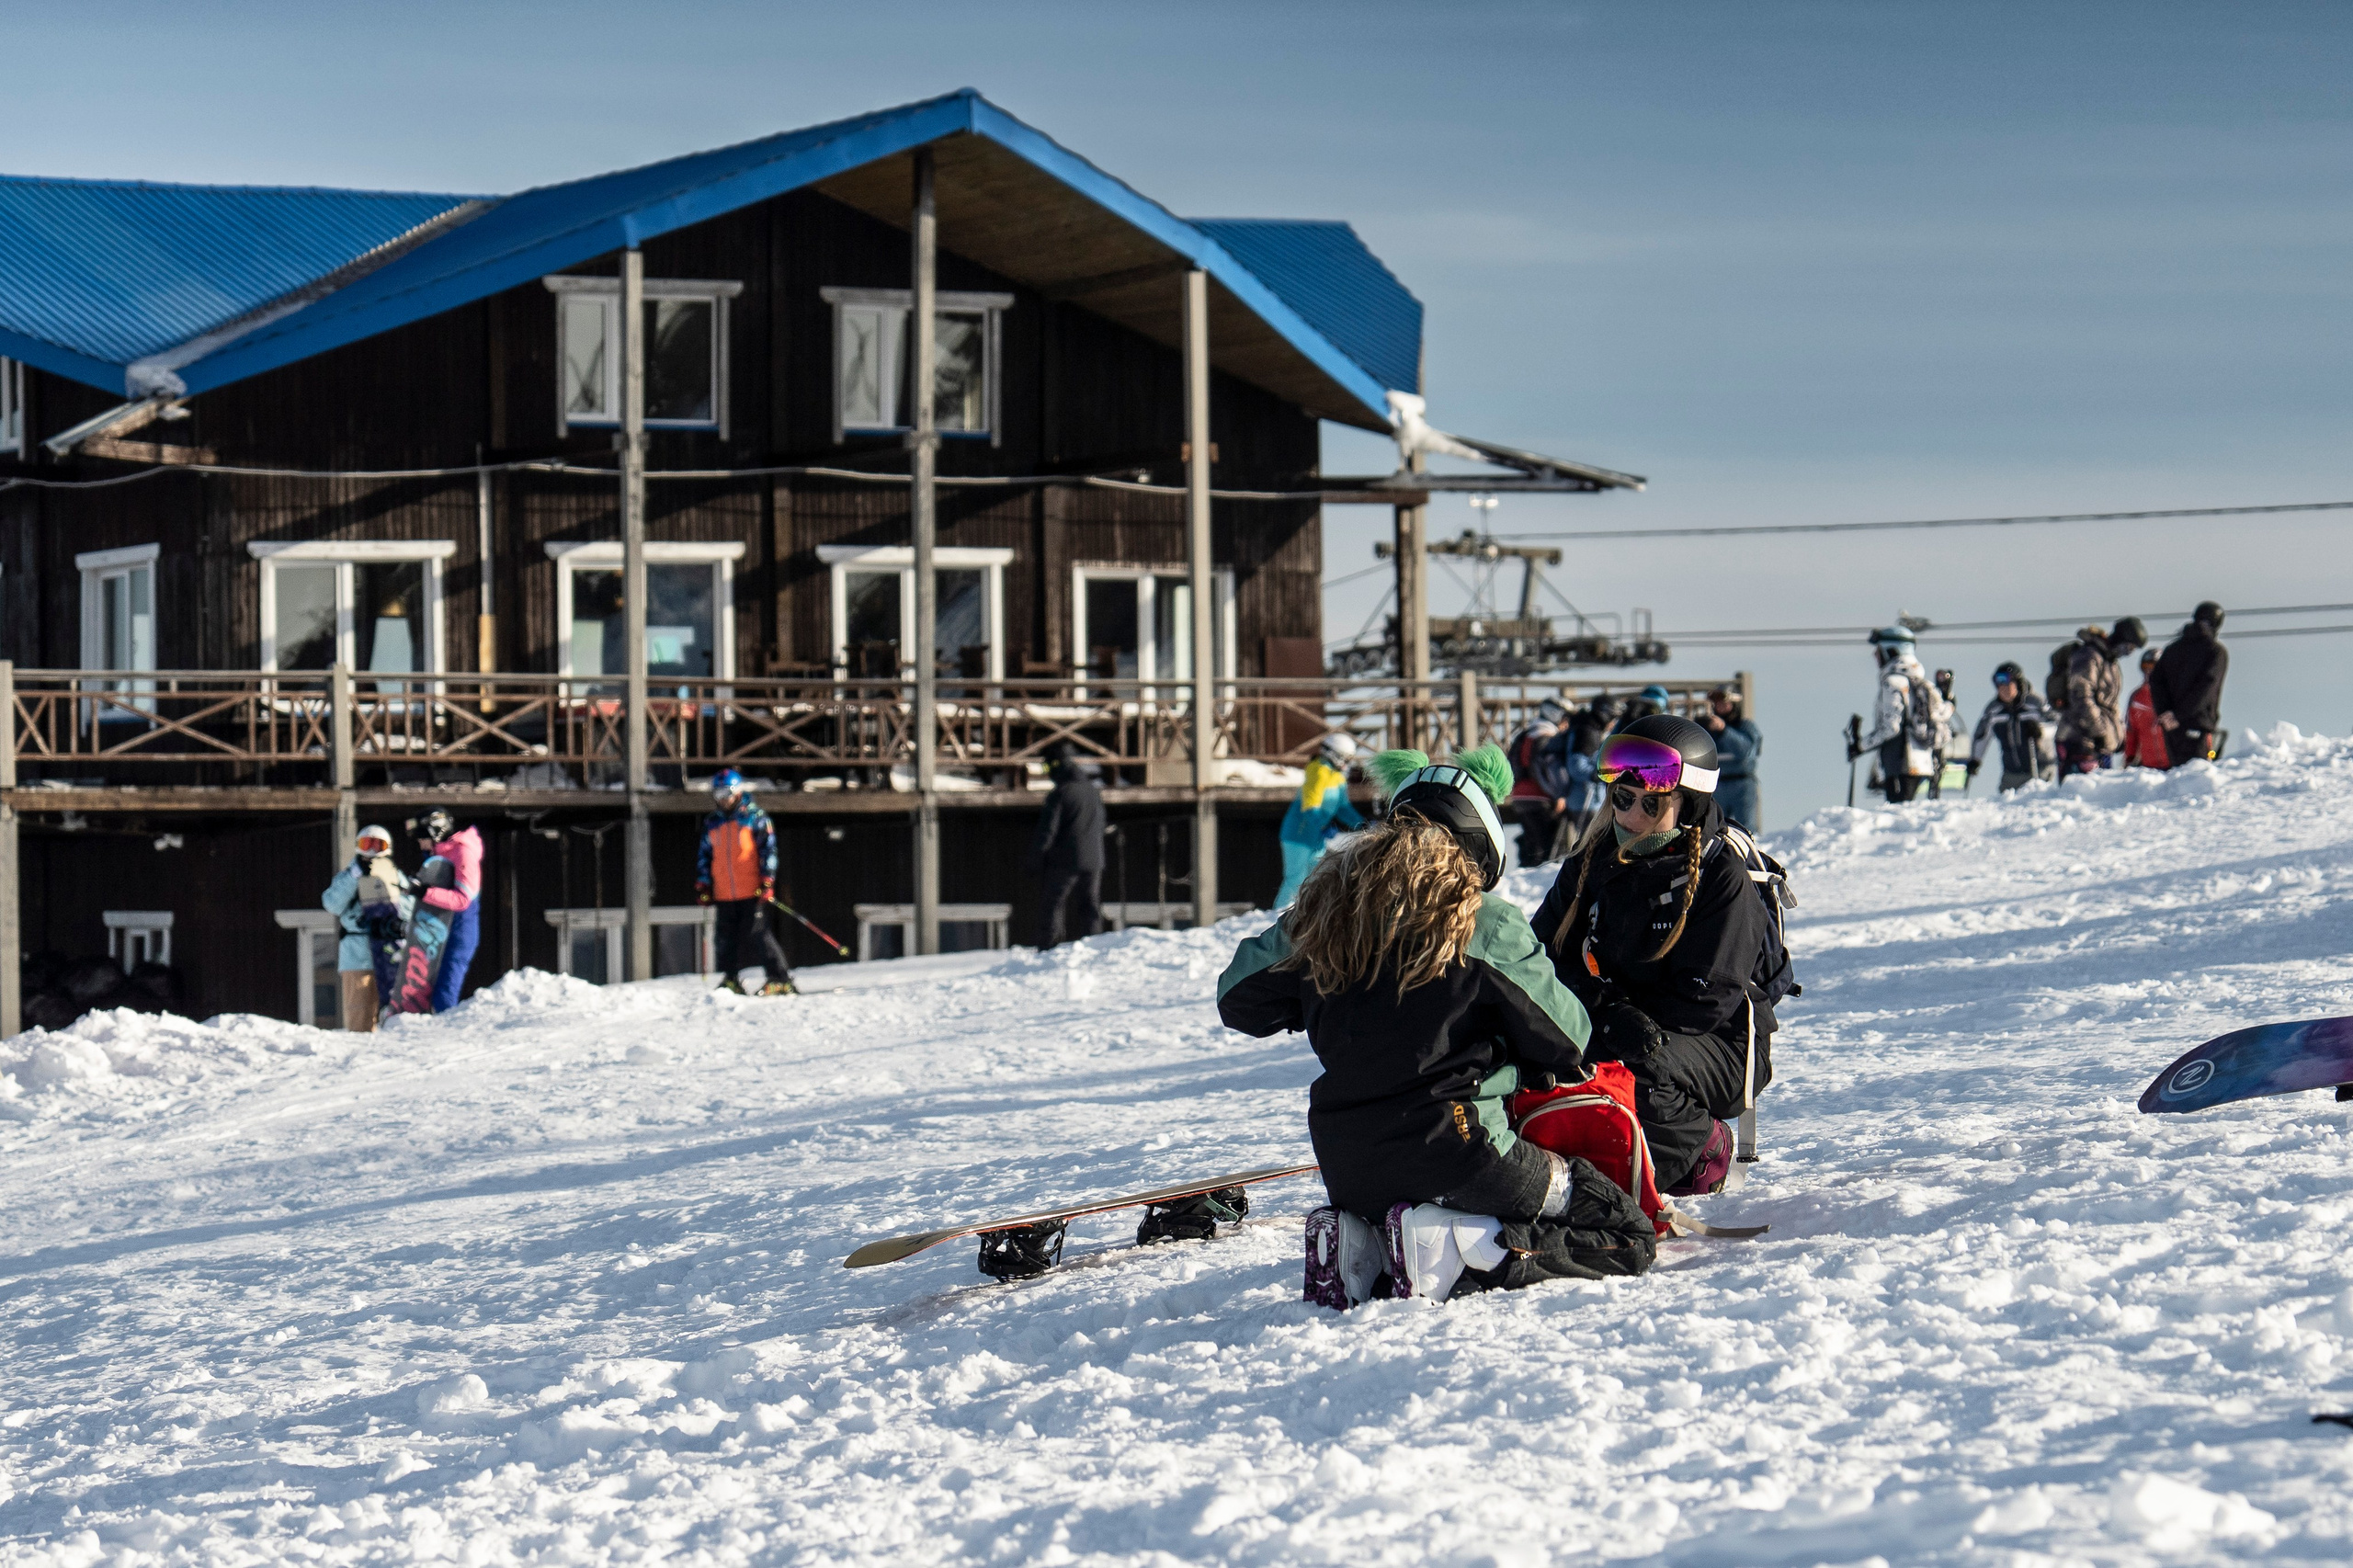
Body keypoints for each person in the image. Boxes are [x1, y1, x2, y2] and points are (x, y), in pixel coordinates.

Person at [1217, 744, 1654, 1301]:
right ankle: (1462, 1248)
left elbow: (1239, 999)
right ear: (1478, 848)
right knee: (1626, 1229)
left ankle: (1367, 1243)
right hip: (1461, 1151)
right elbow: (1568, 1039)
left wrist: (1318, 933)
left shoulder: (1326, 917)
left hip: (1346, 1164)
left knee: (1395, 1202)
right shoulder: (1485, 921)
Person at [1533, 714, 1780, 1197]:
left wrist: (1614, 1023)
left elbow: (1708, 998)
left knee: (1632, 1069)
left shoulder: (1720, 876)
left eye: (1650, 804)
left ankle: (1700, 1148)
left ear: (1685, 805)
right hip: (1615, 1023)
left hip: (1718, 1043)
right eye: (1622, 800)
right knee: (1533, 1051)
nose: (1631, 817)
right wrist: (1601, 1012)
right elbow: (1543, 955)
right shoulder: (1591, 863)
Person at [697, 768, 794, 994]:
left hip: (752, 889)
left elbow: (769, 851)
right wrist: (703, 883)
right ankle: (731, 979)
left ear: (737, 792)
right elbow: (705, 855)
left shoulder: (755, 817)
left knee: (758, 934)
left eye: (726, 793)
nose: (722, 799)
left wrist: (767, 881)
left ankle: (780, 978)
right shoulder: (712, 822)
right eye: (717, 794)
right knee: (724, 939)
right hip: (723, 892)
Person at [320, 824, 409, 1031]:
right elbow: (332, 903)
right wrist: (354, 876)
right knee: (360, 1012)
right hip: (357, 954)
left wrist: (397, 921)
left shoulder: (394, 875)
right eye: (366, 844)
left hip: (389, 950)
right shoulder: (349, 875)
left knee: (392, 1012)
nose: (371, 851)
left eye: (377, 845)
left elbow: (409, 906)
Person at [1275, 733, 1365, 906]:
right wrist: (1323, 827)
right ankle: (1278, 917)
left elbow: (1343, 808)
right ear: (1335, 754)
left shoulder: (1337, 776)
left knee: (1316, 878)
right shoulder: (1318, 770)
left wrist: (1363, 823)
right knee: (1295, 879)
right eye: (1345, 758)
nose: (1347, 763)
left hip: (1317, 837)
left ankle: (1306, 917)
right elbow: (1310, 806)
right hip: (1298, 834)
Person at [1858, 626, 1945, 802]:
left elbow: (1891, 727)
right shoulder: (1923, 683)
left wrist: (1860, 746)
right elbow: (1943, 711)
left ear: (1891, 651)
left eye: (1879, 651)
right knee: (1906, 811)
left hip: (1900, 762)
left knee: (1898, 814)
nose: (1875, 656)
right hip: (1922, 762)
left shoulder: (1892, 683)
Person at [1030, 741, 1106, 948]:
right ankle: (1094, 946)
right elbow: (1102, 823)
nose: (1046, 773)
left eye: (1046, 767)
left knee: (1052, 904)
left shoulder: (1060, 793)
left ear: (1056, 765)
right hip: (1095, 859)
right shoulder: (1092, 791)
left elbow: (1048, 830)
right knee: (1090, 906)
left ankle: (1048, 948)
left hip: (1066, 860)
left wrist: (1036, 858)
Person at [413, 808, 483, 1012]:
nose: (420, 842)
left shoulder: (463, 852)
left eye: (423, 837)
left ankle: (446, 1038)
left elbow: (463, 899)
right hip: (440, 930)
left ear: (436, 833)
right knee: (427, 992)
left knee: (444, 994)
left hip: (459, 931)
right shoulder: (440, 855)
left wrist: (425, 892)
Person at [2151, 601, 2229, 767]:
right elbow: (2206, 688)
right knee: (2195, 780)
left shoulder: (2172, 649)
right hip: (2197, 725)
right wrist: (2179, 715)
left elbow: (2156, 682)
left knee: (2177, 777)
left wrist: (2166, 713)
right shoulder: (2216, 652)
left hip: (2171, 728)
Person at [2055, 619, 2138, 774]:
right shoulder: (2089, 656)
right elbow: (2081, 696)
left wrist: (2116, 735)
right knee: (2082, 794)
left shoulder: (2109, 661)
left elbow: (2110, 705)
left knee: (2100, 793)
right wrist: (2098, 731)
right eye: (2130, 647)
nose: (2129, 653)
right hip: (2080, 741)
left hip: (2098, 742)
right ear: (2122, 640)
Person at [1970, 663, 2056, 791]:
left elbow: (2056, 724)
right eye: (1999, 685)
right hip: (2012, 773)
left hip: (2040, 769)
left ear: (2018, 683)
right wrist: (1975, 760)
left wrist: (2041, 731)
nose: (2003, 689)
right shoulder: (1994, 711)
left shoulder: (2035, 704)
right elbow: (1982, 736)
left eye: (2007, 684)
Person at [1503, 699, 1568, 869]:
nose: (1566, 724)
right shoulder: (1545, 736)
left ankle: (1525, 878)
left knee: (1532, 843)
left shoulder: (1526, 734)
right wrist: (1558, 794)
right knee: (1546, 848)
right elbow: (1543, 769)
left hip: (1520, 796)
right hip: (1539, 796)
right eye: (1564, 718)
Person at [1699, 686, 1762, 831]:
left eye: (1724, 702)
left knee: (1745, 829)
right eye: (1717, 703)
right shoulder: (1709, 730)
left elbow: (1746, 751)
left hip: (1742, 783)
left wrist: (1724, 731)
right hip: (1718, 784)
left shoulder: (1745, 726)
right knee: (1716, 828)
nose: (1720, 706)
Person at [2122, 648, 2165, 767]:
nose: (2149, 671)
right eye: (2145, 666)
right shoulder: (2137, 697)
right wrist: (2129, 758)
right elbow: (2131, 731)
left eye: (2153, 666)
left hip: (2174, 765)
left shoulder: (2174, 694)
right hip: (2148, 768)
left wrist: (2210, 753)